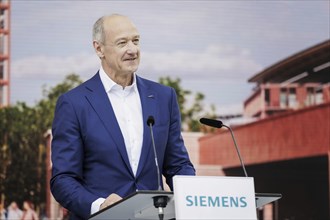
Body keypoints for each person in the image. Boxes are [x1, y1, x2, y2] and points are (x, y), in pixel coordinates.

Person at [50, 14, 195, 220]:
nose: (132, 49)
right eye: (122, 43)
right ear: (99, 49)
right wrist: (99, 206)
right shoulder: (74, 103)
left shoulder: (164, 97)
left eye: (136, 41)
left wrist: (193, 197)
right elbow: (63, 179)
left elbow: (178, 165)